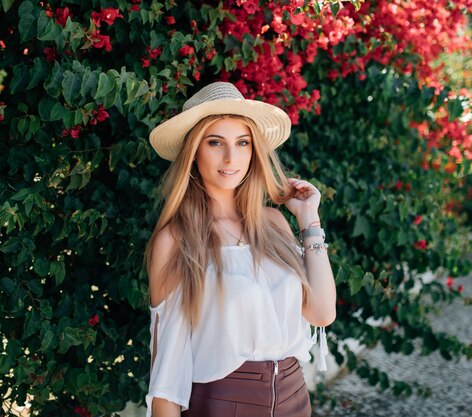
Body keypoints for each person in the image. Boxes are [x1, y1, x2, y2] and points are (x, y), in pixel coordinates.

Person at [144, 81, 336, 417]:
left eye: (242, 142)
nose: (232, 157)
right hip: (222, 403)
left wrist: (310, 222)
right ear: (194, 152)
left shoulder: (273, 223)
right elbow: (167, 376)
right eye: (215, 142)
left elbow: (321, 312)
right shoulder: (175, 240)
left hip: (294, 397)